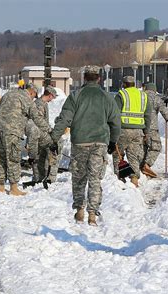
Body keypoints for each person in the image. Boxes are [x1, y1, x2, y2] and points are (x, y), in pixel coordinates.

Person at [51, 65, 120, 226]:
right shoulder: (107, 97)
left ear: (84, 78)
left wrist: (54, 138)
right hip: (100, 142)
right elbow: (116, 122)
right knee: (95, 178)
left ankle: (80, 209)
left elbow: (64, 119)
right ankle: (92, 214)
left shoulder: (76, 96)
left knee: (79, 177)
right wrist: (113, 141)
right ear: (99, 78)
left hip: (80, 142)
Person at [0, 83, 52, 196]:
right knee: (13, 159)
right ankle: (14, 188)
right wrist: (49, 130)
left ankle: (0, 187)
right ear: (32, 92)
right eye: (34, 96)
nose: (33, 99)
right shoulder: (26, 99)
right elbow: (36, 117)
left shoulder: (8, 94)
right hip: (12, 132)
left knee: (0, 158)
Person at [112, 75, 151, 187]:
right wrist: (146, 131)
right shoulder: (143, 95)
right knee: (133, 155)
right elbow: (148, 115)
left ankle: (120, 177)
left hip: (124, 130)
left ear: (124, 84)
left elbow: (114, 113)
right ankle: (134, 177)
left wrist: (113, 130)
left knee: (118, 154)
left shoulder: (122, 94)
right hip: (138, 131)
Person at [25, 86, 58, 183]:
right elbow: (38, 123)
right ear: (50, 95)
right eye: (53, 97)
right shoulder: (39, 105)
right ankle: (46, 178)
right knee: (48, 153)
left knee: (41, 156)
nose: (53, 99)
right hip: (38, 135)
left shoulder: (42, 104)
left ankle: (39, 177)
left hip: (40, 134)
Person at [140, 82, 168, 178]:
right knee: (156, 147)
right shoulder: (156, 98)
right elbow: (165, 112)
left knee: (143, 148)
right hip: (152, 128)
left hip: (139, 126)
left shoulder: (140, 96)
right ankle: (147, 165)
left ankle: (141, 166)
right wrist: (167, 117)